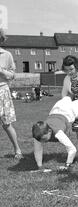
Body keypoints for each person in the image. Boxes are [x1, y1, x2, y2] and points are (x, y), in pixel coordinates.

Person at [32, 94, 78, 170]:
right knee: (69, 96)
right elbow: (38, 150)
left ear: (49, 131)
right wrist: (40, 166)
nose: (42, 142)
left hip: (70, 111)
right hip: (57, 108)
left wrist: (67, 165)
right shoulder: (38, 135)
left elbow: (72, 149)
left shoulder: (58, 133)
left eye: (44, 139)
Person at [0, 28, 23, 159]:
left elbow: (13, 75)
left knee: (6, 124)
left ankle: (18, 150)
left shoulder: (6, 55)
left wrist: (2, 72)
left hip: (2, 90)